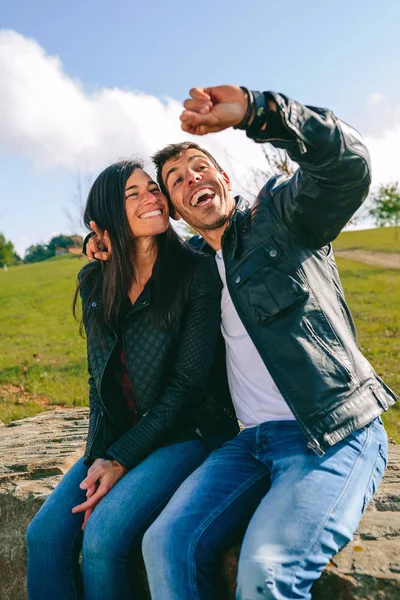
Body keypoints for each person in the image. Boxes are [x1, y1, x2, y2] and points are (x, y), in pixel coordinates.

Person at [136, 86, 396, 600]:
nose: (192, 179)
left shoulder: (280, 216)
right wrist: (100, 242)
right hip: (247, 446)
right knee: (164, 543)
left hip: (330, 431)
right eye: (177, 181)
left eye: (200, 167)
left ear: (225, 179)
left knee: (266, 572)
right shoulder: (192, 268)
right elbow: (132, 262)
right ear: (179, 211)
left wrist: (261, 113)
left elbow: (347, 166)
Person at [26, 159, 238, 600]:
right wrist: (96, 457)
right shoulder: (94, 279)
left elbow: (187, 388)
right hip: (123, 434)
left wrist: (120, 458)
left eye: (153, 189)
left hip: (188, 432)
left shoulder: (196, 272)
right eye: (133, 194)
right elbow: (97, 380)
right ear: (105, 220)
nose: (152, 198)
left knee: (103, 539)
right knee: (44, 536)